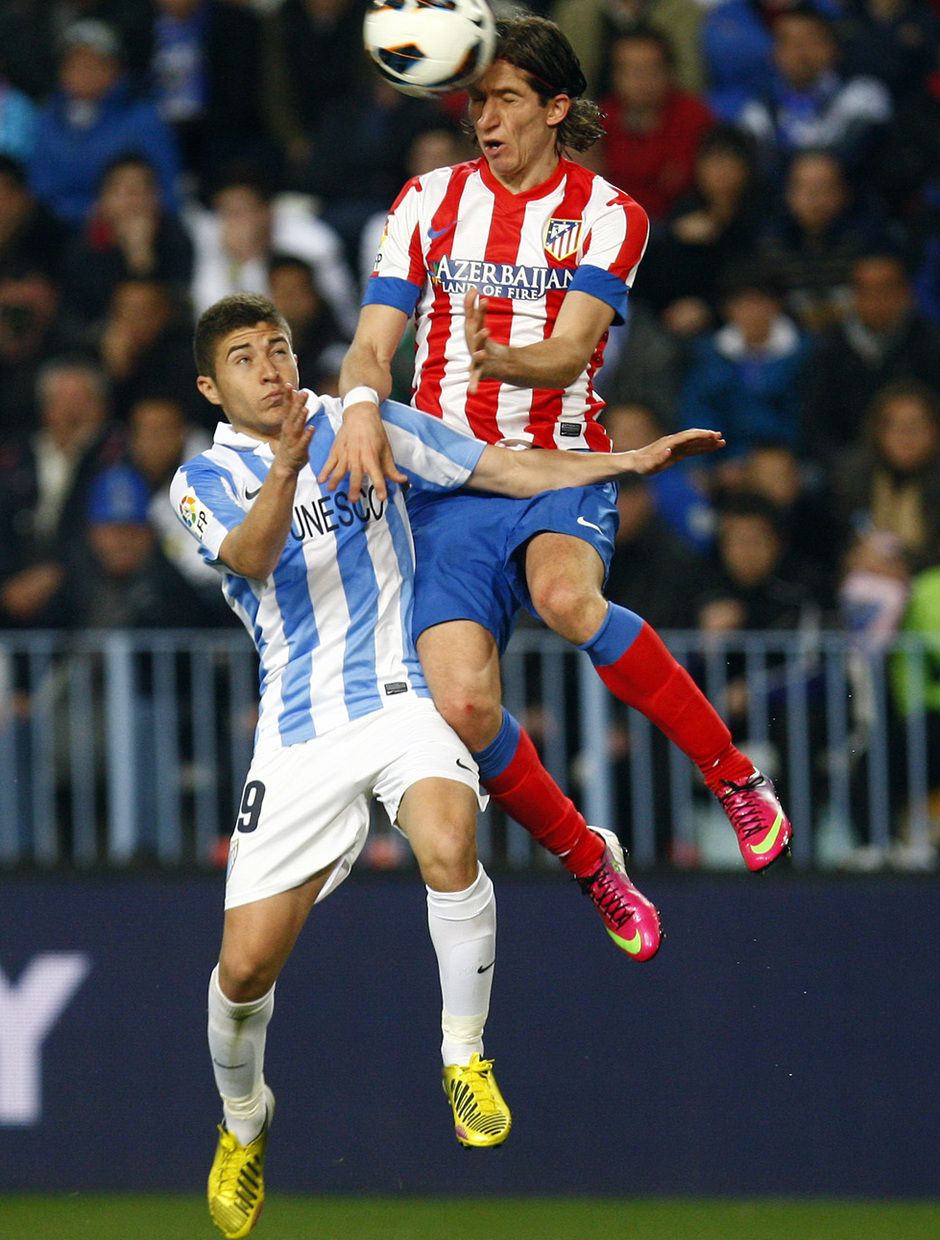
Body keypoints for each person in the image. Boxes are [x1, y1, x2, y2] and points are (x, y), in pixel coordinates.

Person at [172, 292, 722, 1238]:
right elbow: (253, 555)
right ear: (210, 386)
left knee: (446, 839)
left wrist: (622, 461)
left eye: (279, 347)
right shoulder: (201, 476)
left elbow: (503, 467)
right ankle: (245, 1121)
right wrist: (289, 474)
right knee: (244, 970)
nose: (269, 367)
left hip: (401, 696)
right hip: (300, 732)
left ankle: (464, 1055)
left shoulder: (367, 421)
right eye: (244, 358)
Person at [329, 13, 792, 935]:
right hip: (448, 485)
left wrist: (505, 361)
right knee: (462, 702)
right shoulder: (424, 203)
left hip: (556, 465)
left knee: (569, 601)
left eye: (504, 100)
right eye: (475, 101)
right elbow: (371, 347)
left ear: (556, 106)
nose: (486, 120)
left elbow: (576, 343)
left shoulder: (613, 214)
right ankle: (591, 859)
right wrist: (360, 408)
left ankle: (733, 776)